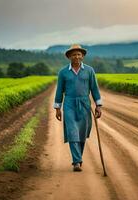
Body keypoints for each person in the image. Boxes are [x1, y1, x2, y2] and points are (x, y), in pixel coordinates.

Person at [53, 44, 102, 172]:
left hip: (85, 104)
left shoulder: (89, 71)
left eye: (79, 54)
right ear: (69, 57)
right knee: (72, 132)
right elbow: (59, 91)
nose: (77, 57)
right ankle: (76, 162)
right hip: (69, 104)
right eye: (74, 54)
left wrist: (98, 106)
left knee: (81, 133)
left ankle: (78, 158)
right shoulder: (63, 72)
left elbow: (94, 89)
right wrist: (57, 108)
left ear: (83, 56)